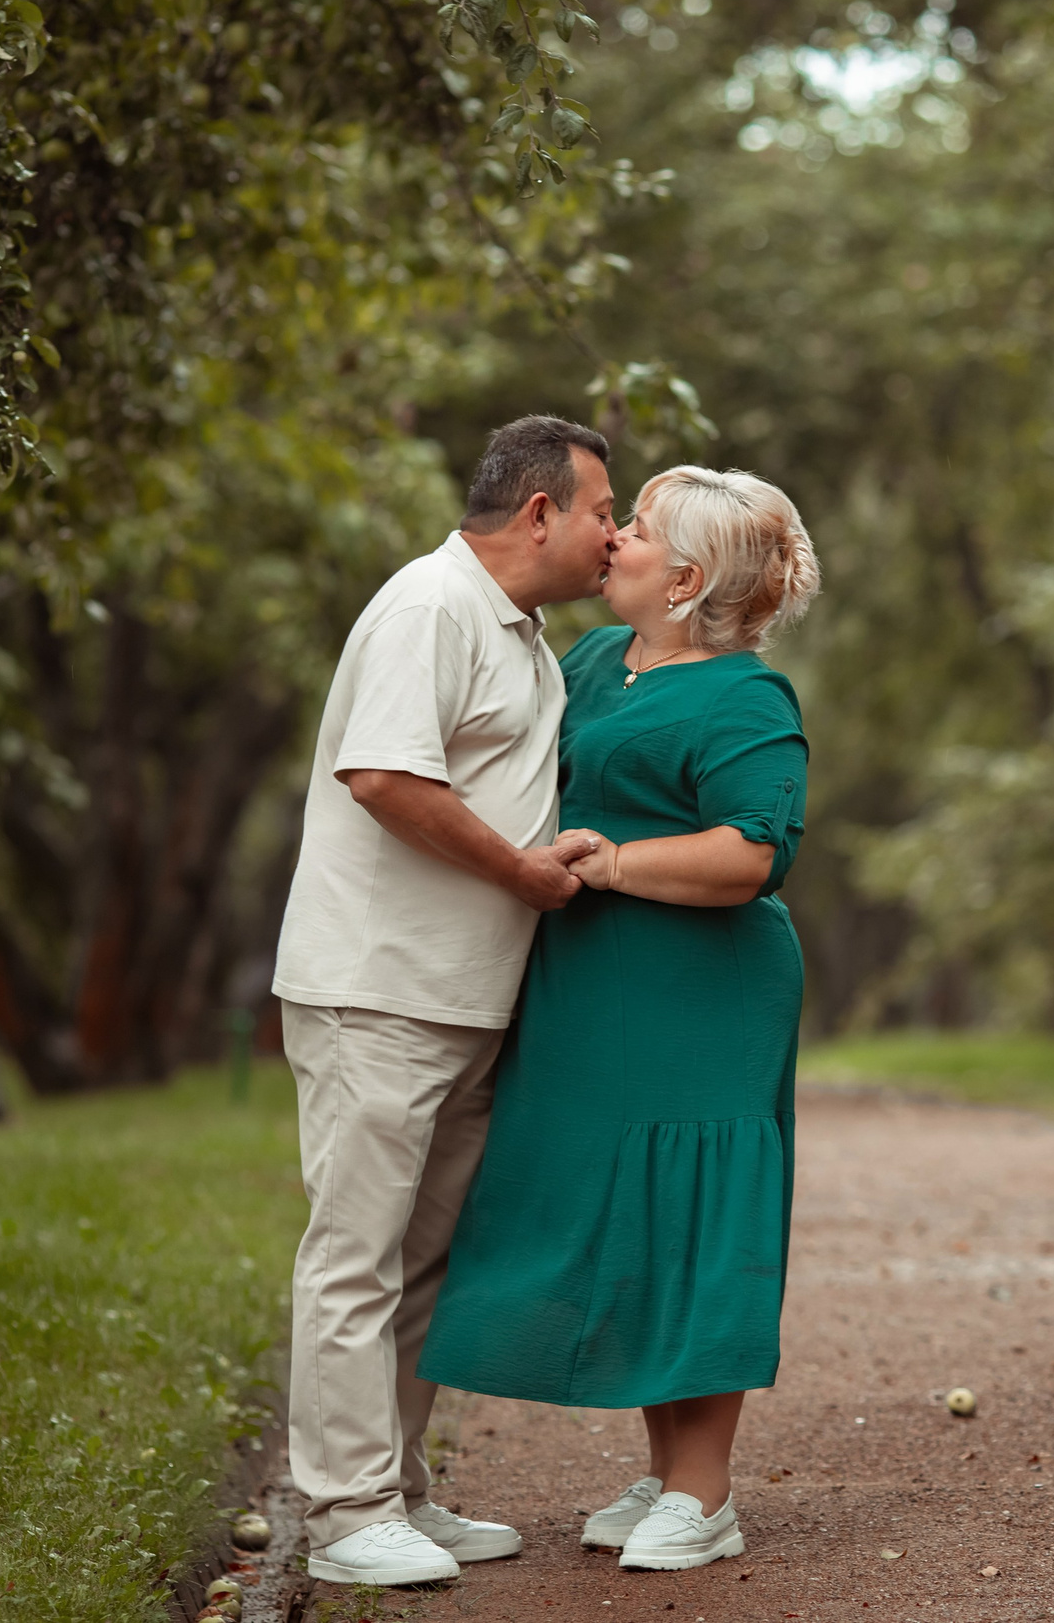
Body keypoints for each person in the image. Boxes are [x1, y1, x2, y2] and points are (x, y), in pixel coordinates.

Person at [420, 465, 821, 1574]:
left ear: (685, 581)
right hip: (590, 984)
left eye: (638, 532)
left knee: (695, 1210)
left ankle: (706, 1491)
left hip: (702, 990)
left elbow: (750, 854)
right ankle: (663, 1469)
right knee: (630, 1213)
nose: (617, 541)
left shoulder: (747, 698)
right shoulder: (596, 661)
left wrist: (617, 863)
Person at [269, 415, 620, 1588]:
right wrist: (523, 871)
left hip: (463, 1000)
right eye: (603, 513)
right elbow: (379, 776)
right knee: (356, 1255)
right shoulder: (428, 607)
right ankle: (342, 1513)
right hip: (377, 990)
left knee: (425, 1263)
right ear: (540, 514)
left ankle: (399, 1493)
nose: (612, 536)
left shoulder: (512, 633)